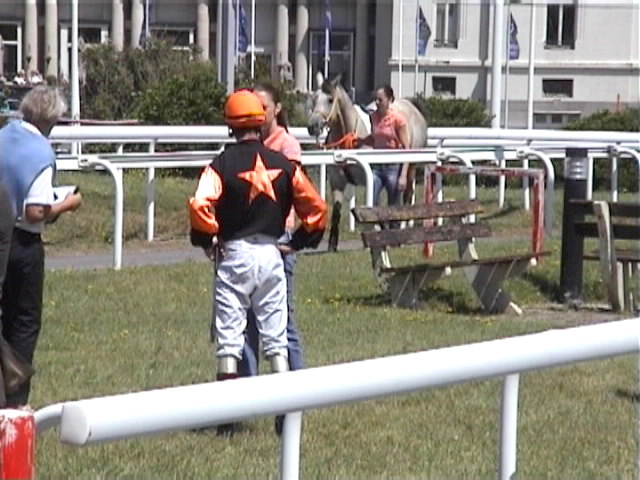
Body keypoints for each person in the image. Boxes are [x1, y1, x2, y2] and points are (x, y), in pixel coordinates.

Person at [189, 89, 327, 435]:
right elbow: (317, 209)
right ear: (259, 121)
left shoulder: (219, 165)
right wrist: (298, 242)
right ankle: (284, 417)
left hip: (234, 256)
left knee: (229, 339)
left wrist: (207, 239)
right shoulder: (284, 164)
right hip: (271, 254)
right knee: (276, 338)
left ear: (230, 125)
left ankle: (228, 421)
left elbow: (200, 205)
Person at [0, 85, 82, 407]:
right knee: (23, 321)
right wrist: (67, 204)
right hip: (22, 243)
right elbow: (35, 211)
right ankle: (16, 398)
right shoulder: (41, 154)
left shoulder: (4, 135)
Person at [240, 82, 305, 381]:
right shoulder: (251, 144)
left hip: (279, 236)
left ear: (277, 109)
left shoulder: (287, 146)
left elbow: (290, 191)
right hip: (251, 236)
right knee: (248, 322)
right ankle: (250, 390)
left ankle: (296, 389)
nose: (257, 113)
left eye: (263, 107)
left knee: (282, 321)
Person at [357, 84, 410, 208]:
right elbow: (375, 137)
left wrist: (403, 175)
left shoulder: (398, 119)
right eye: (376, 99)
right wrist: (361, 141)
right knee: (371, 199)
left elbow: (406, 147)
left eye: (380, 100)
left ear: (389, 100)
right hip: (377, 165)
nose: (376, 102)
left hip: (393, 166)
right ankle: (377, 220)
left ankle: (393, 221)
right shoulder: (373, 117)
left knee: (393, 204)